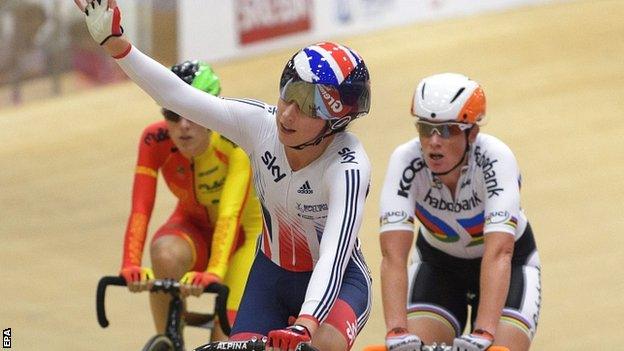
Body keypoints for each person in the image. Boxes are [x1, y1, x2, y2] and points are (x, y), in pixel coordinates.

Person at [74, 1, 372, 351]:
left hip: (338, 284)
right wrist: (117, 44)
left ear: (335, 122)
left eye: (307, 107)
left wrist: (306, 325)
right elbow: (178, 96)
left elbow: (334, 255)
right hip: (271, 276)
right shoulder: (260, 124)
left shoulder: (348, 166)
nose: (287, 114)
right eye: (288, 94)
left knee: (323, 346)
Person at [379, 73, 541, 351]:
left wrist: (484, 332)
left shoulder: (496, 158)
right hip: (438, 265)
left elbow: (500, 251)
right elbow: (393, 255)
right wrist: (397, 331)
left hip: (509, 265)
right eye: (425, 128)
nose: (433, 141)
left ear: (472, 133)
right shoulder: (405, 160)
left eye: (447, 130)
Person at [119, 59, 263, 342]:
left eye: (194, 112)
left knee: (223, 342)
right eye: (173, 114)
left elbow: (230, 215)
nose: (183, 126)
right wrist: (130, 264)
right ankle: (169, 342)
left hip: (246, 238)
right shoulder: (154, 139)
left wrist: (214, 272)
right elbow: (140, 208)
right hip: (193, 228)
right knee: (163, 253)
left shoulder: (235, 142)